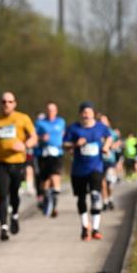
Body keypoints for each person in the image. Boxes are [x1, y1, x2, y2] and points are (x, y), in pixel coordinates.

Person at [0, 91, 37, 241]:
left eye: (9, 102)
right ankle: (3, 226)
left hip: (18, 162)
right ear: (0, 104)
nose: (6, 105)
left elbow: (34, 137)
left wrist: (25, 145)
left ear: (14, 103)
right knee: (2, 194)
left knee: (14, 193)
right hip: (1, 162)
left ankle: (14, 214)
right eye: (3, 102)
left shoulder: (22, 118)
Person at [63, 103, 112, 241]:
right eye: (84, 112)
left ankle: (95, 228)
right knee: (81, 198)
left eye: (89, 112)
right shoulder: (73, 128)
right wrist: (75, 144)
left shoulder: (100, 127)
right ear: (80, 114)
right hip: (78, 170)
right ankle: (85, 227)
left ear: (93, 114)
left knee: (96, 196)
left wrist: (107, 146)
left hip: (96, 167)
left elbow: (109, 136)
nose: (86, 115)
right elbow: (65, 144)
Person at [34, 102, 66, 218]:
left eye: (53, 110)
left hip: (57, 153)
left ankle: (54, 202)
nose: (51, 112)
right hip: (43, 154)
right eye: (49, 110)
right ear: (46, 111)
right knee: (45, 181)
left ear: (56, 111)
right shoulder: (40, 123)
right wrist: (41, 138)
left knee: (55, 175)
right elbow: (33, 137)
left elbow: (64, 134)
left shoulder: (61, 122)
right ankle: (47, 198)